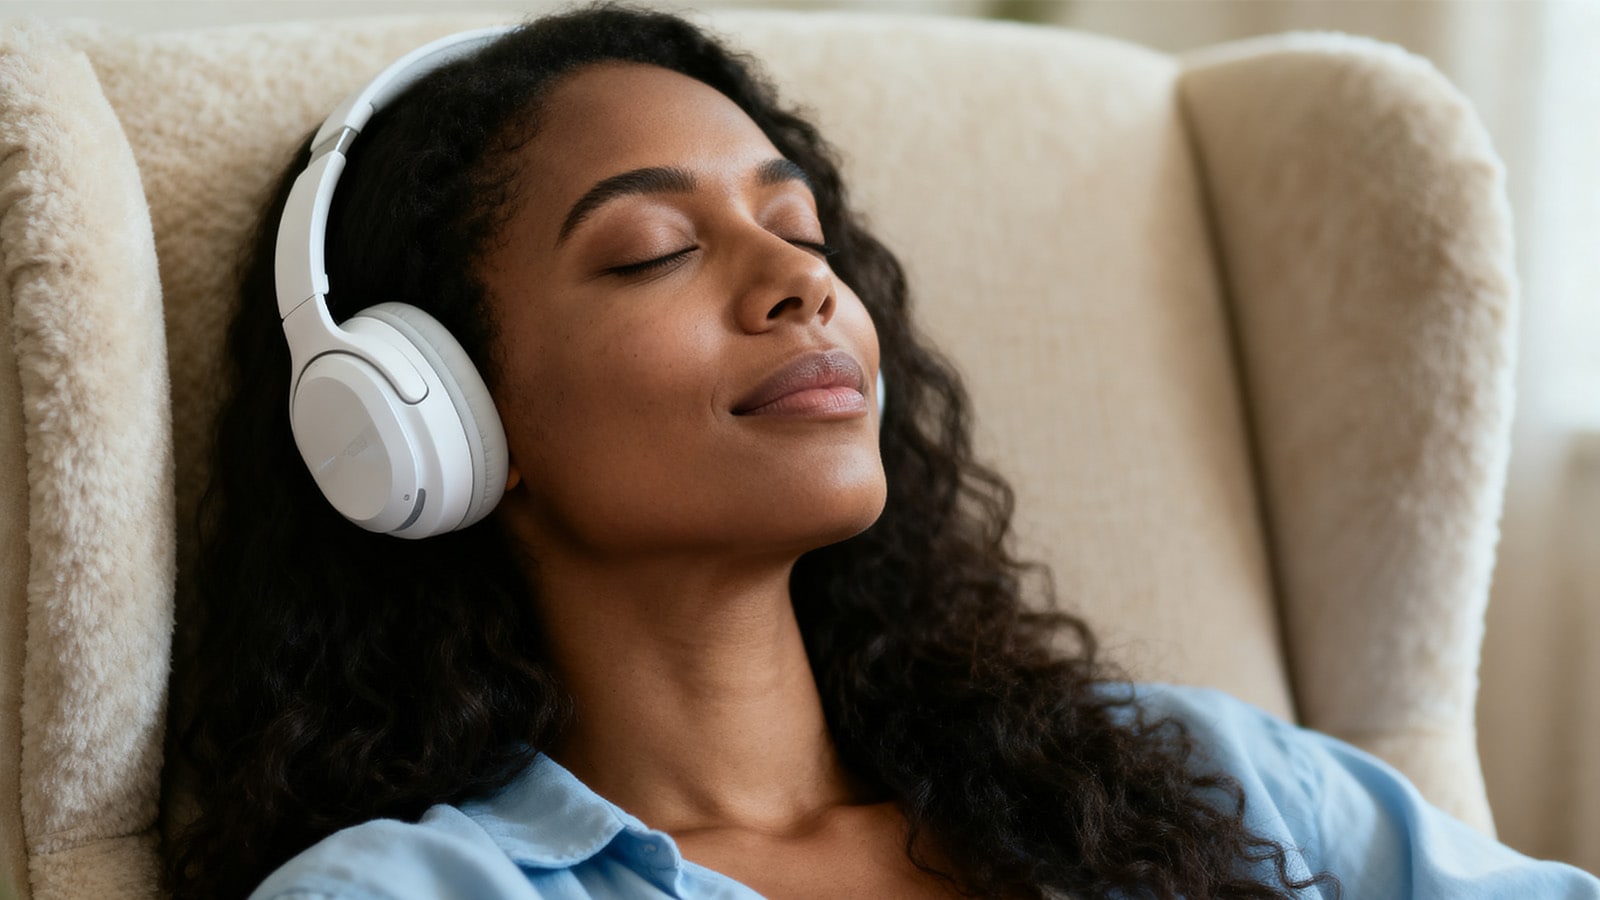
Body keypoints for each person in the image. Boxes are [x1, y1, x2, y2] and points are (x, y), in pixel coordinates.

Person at [165, 5, 1600, 899]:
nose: (806, 287)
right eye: (654, 249)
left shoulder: (1203, 779)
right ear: (433, 413)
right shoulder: (412, 894)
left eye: (802, 232)